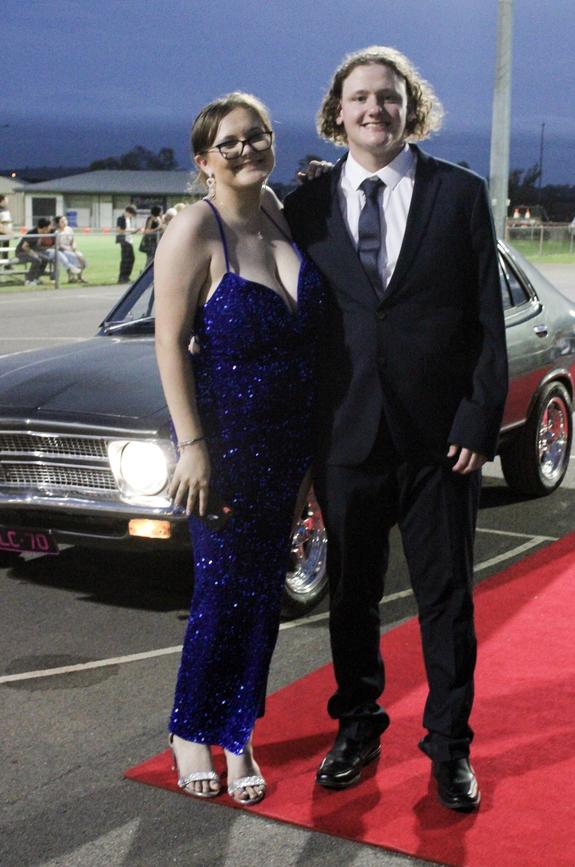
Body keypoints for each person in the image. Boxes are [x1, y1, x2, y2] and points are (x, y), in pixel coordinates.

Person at [284, 46, 508, 812]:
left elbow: (487, 319)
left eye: (388, 96)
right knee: (350, 596)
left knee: (446, 600)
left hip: (440, 441)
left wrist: (479, 417)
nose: (374, 108)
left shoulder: (459, 194)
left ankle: (450, 747)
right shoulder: (306, 205)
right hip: (346, 437)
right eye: (359, 98)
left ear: (412, 108)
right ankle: (357, 724)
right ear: (336, 113)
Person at [154, 92, 324, 804]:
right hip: (225, 447)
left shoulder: (283, 215)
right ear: (204, 161)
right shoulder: (197, 228)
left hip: (289, 448)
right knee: (222, 594)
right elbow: (167, 342)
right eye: (230, 142)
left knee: (261, 599)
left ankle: (239, 730)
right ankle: (192, 730)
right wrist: (191, 445)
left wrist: (309, 465)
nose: (248, 149)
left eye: (258, 136)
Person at [15, 218, 54, 284]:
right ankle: (28, 280)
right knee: (37, 260)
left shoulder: (41, 233)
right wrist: (34, 254)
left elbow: (36, 246)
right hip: (21, 252)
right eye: (50, 226)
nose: (51, 228)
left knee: (46, 259)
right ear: (45, 227)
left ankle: (36, 278)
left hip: (30, 251)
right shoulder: (32, 233)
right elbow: (24, 247)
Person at [54, 215, 88, 282]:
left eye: (65, 220)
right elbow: (58, 245)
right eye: (62, 221)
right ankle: (71, 277)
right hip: (62, 251)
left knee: (81, 256)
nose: (65, 222)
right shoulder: (57, 232)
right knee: (73, 257)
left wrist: (74, 246)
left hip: (71, 249)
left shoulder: (69, 229)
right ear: (58, 223)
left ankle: (79, 276)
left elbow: (73, 240)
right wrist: (68, 249)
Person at [116, 205, 138, 282]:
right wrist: (130, 230)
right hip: (124, 241)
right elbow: (119, 230)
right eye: (131, 214)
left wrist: (133, 231)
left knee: (131, 258)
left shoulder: (128, 219)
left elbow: (127, 229)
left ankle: (126, 276)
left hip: (129, 240)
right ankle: (122, 277)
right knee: (125, 259)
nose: (131, 216)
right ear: (127, 212)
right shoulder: (120, 219)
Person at [0, 195, 13, 270]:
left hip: (7, 233)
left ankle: (6, 264)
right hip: (2, 233)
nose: (7, 201)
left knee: (6, 249)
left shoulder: (6, 209)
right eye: (5, 200)